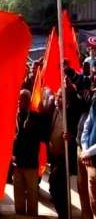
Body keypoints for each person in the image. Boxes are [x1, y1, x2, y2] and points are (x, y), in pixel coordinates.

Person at [48, 86, 80, 219]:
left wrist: (71, 137)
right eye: (57, 95)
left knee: (56, 186)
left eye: (61, 96)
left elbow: (77, 134)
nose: (58, 98)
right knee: (57, 189)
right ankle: (64, 213)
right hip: (54, 157)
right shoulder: (54, 111)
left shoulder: (71, 114)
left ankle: (64, 214)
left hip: (65, 158)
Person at [12, 89, 42, 216]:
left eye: (23, 99)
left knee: (32, 196)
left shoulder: (35, 117)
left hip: (31, 164)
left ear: (29, 101)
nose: (19, 101)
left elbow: (40, 137)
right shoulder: (15, 115)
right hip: (17, 163)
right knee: (18, 196)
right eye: (18, 98)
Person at [80, 98, 96, 217]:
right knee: (94, 203)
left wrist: (87, 153)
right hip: (92, 162)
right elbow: (86, 127)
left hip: (90, 156)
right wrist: (85, 150)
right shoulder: (95, 102)